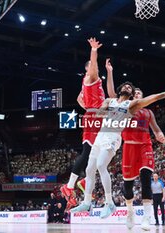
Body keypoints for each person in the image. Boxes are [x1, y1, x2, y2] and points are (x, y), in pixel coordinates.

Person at [71, 81, 165, 219]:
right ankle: (86, 202)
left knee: (101, 165)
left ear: (132, 94)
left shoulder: (131, 105)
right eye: (125, 86)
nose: (127, 87)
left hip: (113, 137)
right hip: (100, 136)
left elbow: (155, 97)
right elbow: (99, 114)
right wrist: (92, 107)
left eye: (130, 88)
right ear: (120, 90)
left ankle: (109, 203)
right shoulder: (109, 100)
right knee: (90, 169)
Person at [60, 38, 116, 206]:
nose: (96, 68)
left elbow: (79, 98)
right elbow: (93, 64)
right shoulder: (90, 77)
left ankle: (82, 182)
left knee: (101, 154)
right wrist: (93, 50)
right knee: (88, 152)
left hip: (96, 117)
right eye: (94, 66)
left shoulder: (90, 83)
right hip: (94, 118)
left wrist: (89, 107)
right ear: (89, 68)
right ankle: (69, 186)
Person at [121, 88, 165, 230]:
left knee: (146, 178)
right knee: (127, 187)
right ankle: (130, 212)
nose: (137, 95)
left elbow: (155, 127)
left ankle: (147, 217)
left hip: (145, 146)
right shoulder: (127, 108)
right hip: (129, 147)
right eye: (135, 94)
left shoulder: (149, 113)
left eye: (139, 93)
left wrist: (159, 134)